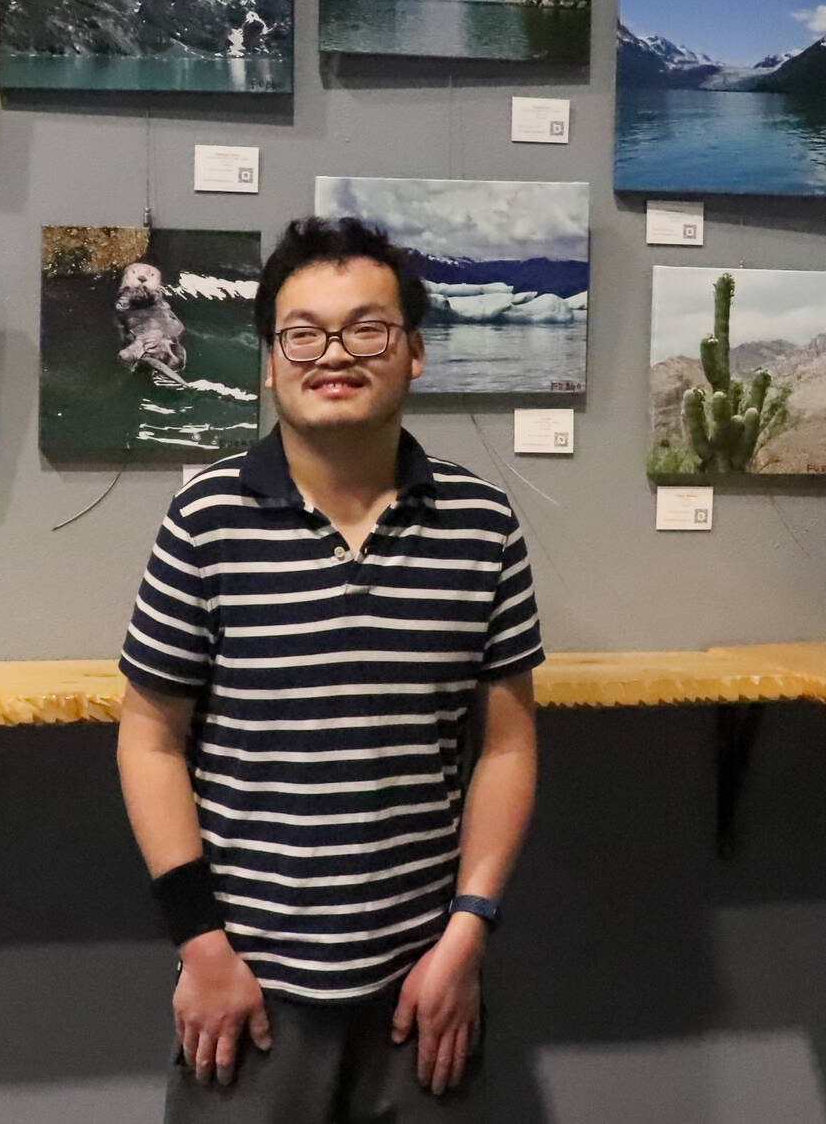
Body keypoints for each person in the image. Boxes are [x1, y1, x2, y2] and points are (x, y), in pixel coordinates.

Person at [116, 215, 542, 1122]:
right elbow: (149, 741)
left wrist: (468, 934)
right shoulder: (206, 518)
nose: (332, 354)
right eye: (301, 334)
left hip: (421, 993)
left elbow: (505, 747)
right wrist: (202, 947)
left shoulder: (482, 525)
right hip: (246, 997)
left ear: (415, 352)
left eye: (368, 329)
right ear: (270, 361)